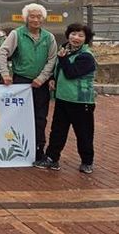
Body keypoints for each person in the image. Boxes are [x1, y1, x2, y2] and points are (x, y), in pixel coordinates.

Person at [0, 3, 57, 161]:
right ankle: (15, 149)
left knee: (40, 118)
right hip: (21, 83)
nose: (36, 20)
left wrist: (42, 78)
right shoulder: (17, 34)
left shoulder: (49, 37)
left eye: (39, 16)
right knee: (17, 116)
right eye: (32, 16)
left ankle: (38, 149)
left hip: (40, 84)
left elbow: (52, 59)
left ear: (43, 18)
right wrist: (5, 73)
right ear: (26, 18)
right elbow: (2, 52)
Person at [34, 23, 96, 174]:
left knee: (84, 133)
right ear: (68, 35)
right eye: (73, 34)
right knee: (57, 131)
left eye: (81, 35)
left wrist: (63, 58)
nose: (76, 38)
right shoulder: (64, 50)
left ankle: (87, 162)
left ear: (86, 39)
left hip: (81, 101)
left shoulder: (86, 56)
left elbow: (71, 73)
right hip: (62, 99)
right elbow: (58, 69)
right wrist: (53, 79)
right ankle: (51, 158)